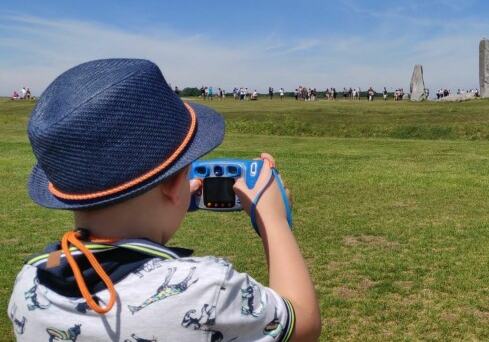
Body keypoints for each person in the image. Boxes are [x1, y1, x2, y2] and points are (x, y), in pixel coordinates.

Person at [7, 59, 321, 342]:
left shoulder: (30, 281)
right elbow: (303, 322)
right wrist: (273, 219)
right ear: (172, 185)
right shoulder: (207, 290)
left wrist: (162, 204)